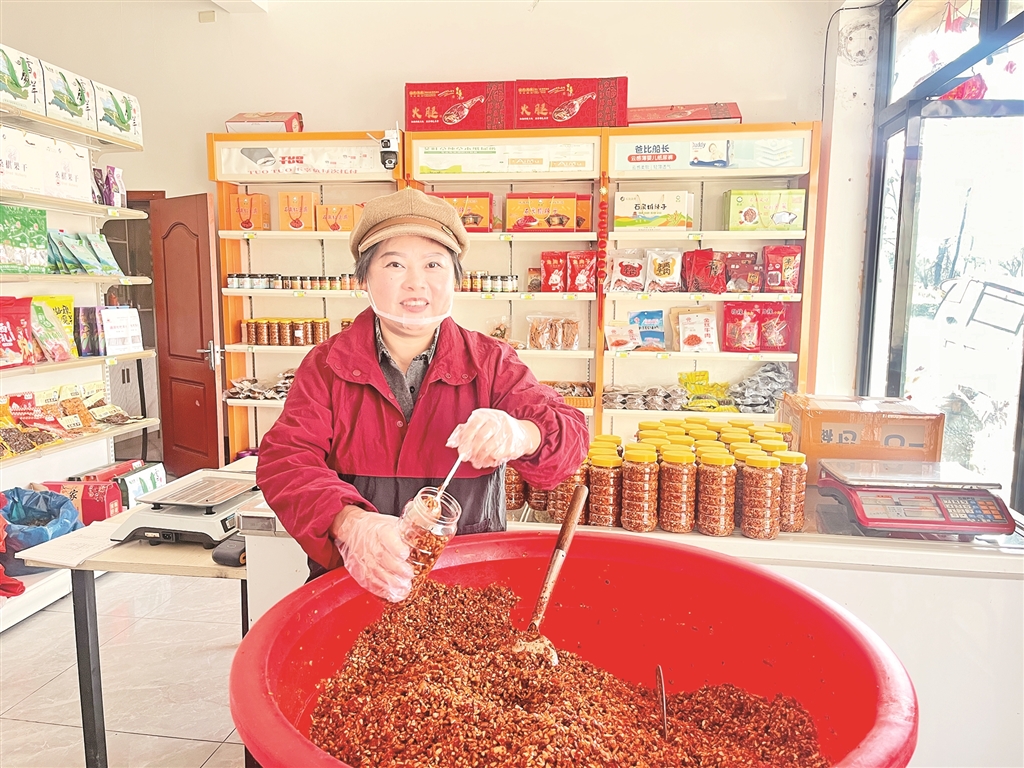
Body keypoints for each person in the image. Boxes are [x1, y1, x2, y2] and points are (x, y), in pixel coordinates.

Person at [256, 187, 589, 601]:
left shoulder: (491, 362)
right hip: (358, 581)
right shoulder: (326, 366)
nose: (416, 283)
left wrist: (523, 434)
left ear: (455, 279)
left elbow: (571, 440)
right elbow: (285, 461)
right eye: (394, 264)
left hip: (468, 588)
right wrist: (349, 523)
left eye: (433, 264)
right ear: (363, 277)